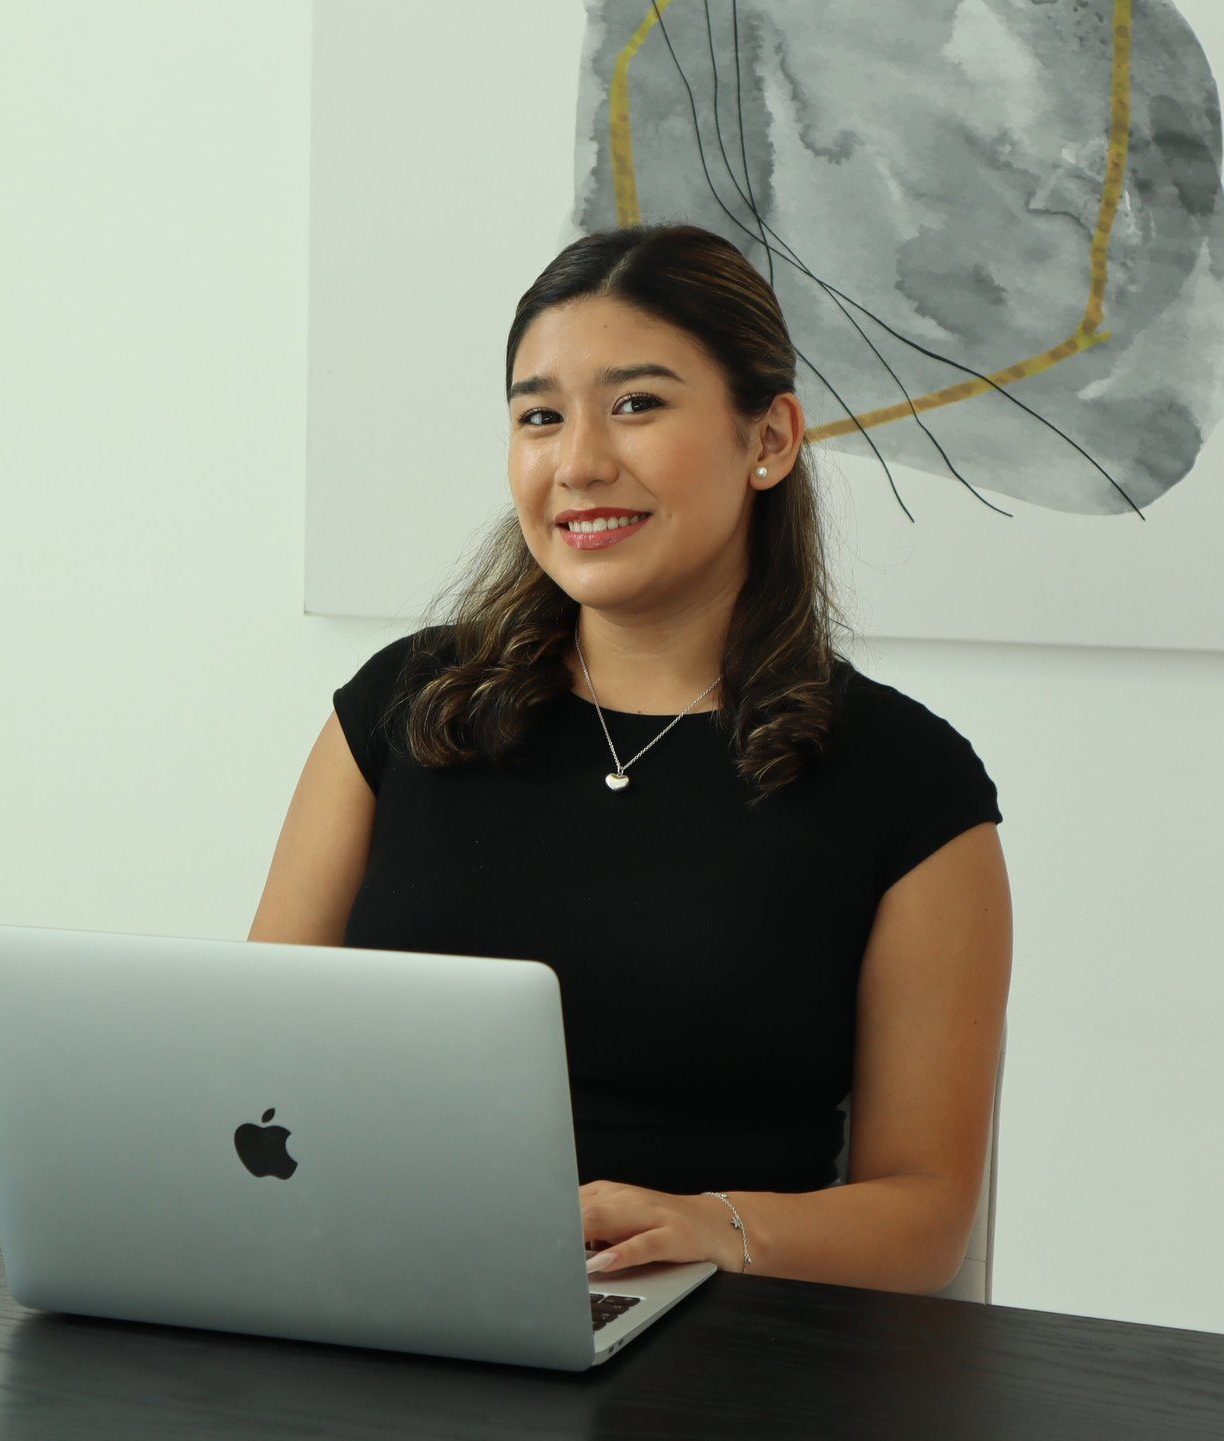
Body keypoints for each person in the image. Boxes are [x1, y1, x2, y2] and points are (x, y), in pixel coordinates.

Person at [250, 224, 1012, 1296]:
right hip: (380, 1288)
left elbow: (924, 1220)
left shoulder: (908, 786)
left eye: (638, 404)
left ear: (771, 439)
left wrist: (716, 1228)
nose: (579, 463)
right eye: (540, 416)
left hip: (722, 1347)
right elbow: (250, 1075)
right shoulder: (400, 708)